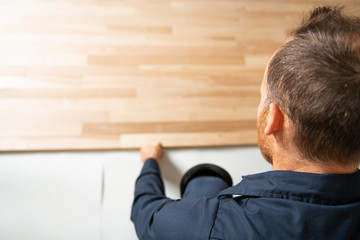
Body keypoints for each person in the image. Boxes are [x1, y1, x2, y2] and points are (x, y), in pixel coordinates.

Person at [131, 6, 360, 239]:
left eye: (263, 97)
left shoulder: (208, 227)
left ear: (274, 118)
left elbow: (146, 214)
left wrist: (150, 161)